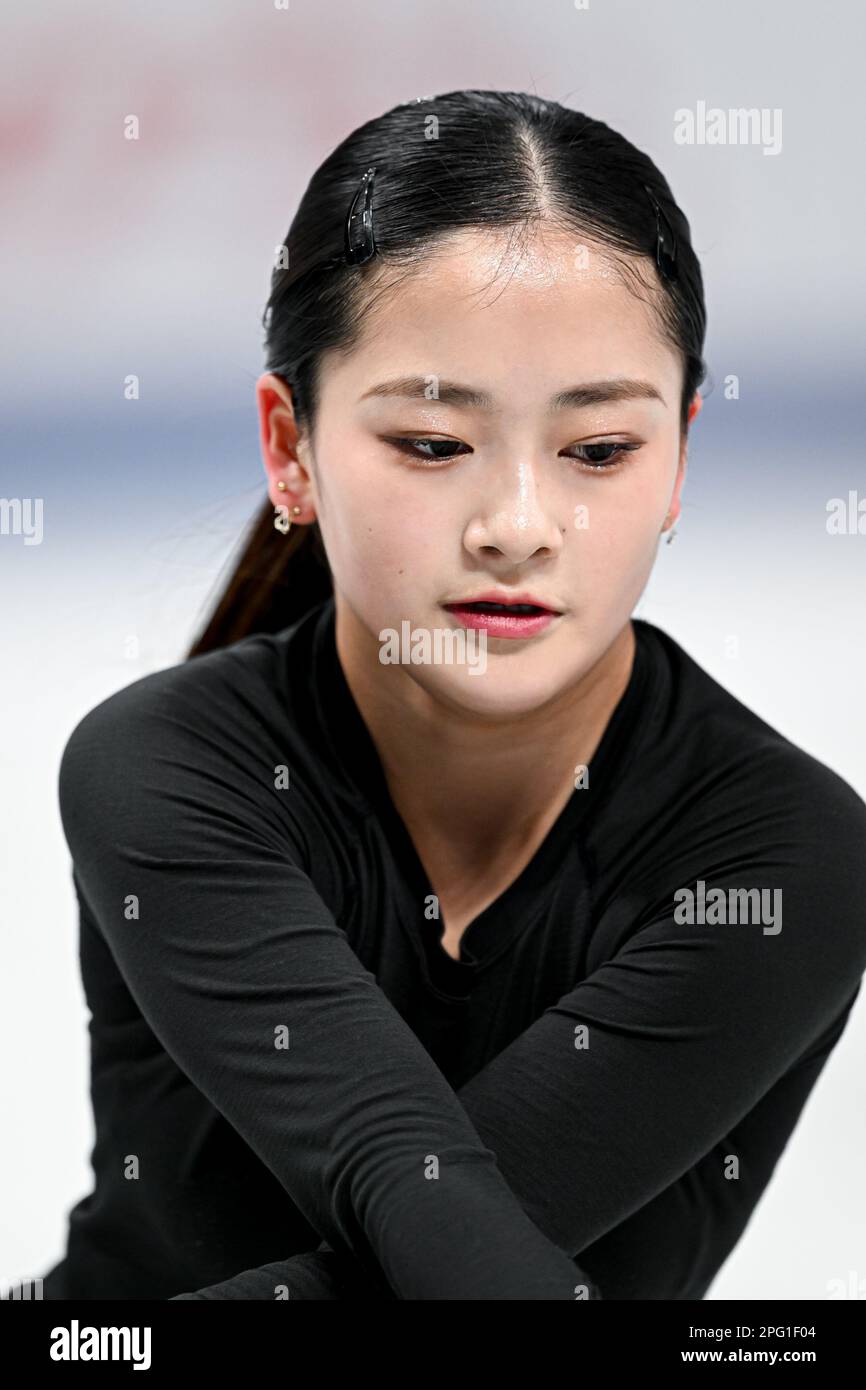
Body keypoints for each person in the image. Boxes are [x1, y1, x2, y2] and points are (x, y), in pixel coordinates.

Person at [36, 90, 866, 1301]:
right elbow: (406, 1198)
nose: (517, 528)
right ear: (291, 449)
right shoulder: (167, 766)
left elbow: (440, 1265)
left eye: (596, 450)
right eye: (432, 443)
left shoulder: (780, 858)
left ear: (680, 454)